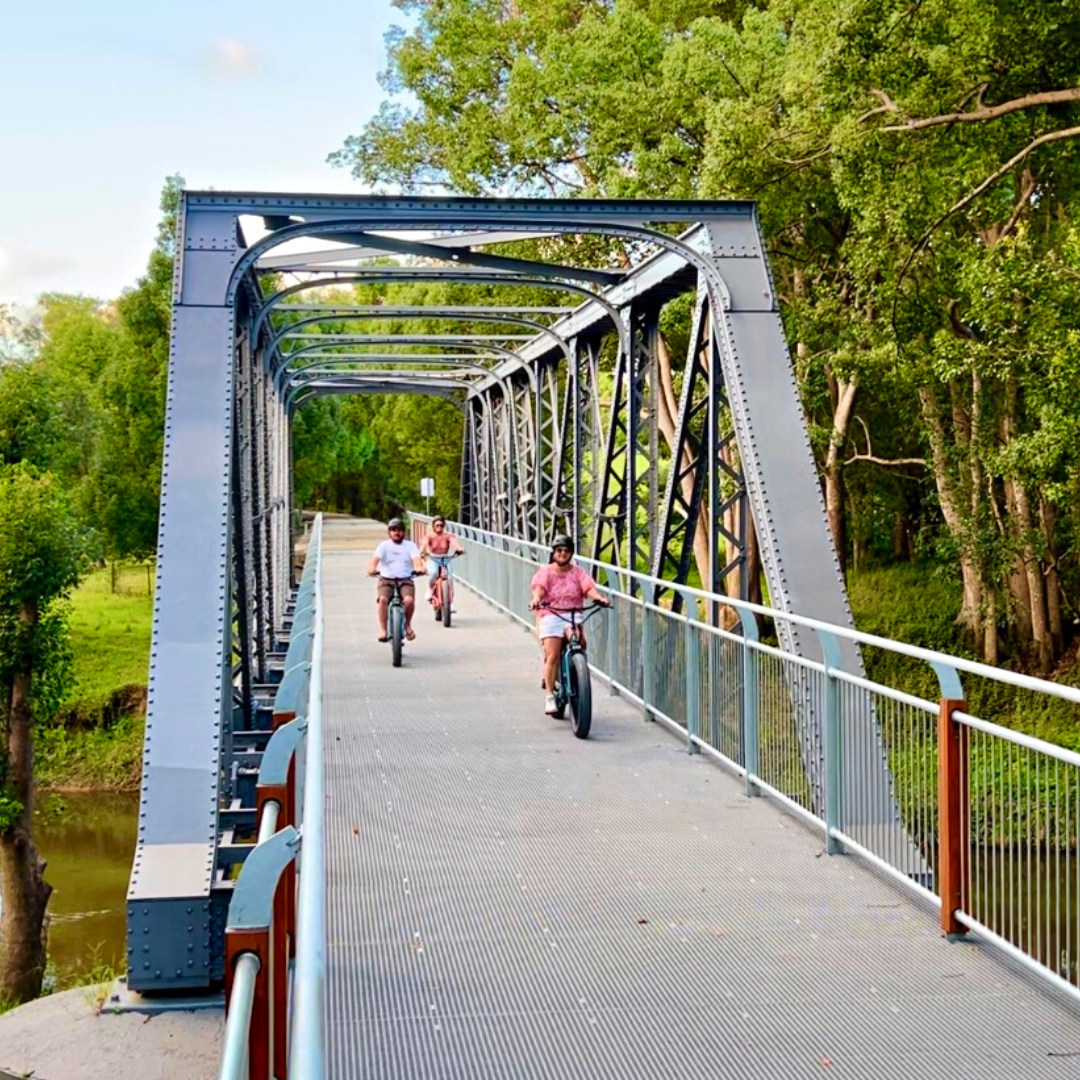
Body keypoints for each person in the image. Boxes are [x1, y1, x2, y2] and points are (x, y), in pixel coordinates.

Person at [528, 534, 610, 715]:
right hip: (551, 613)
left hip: (572, 615)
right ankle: (549, 696)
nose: (562, 554)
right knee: (553, 654)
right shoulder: (546, 571)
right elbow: (539, 589)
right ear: (554, 553)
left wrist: (599, 599)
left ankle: (576, 674)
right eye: (559, 551)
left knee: (580, 644)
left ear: (571, 553)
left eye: (566, 551)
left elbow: (588, 588)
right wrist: (536, 600)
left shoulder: (578, 572)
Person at [367, 518, 424, 642]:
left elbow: (416, 559)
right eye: (393, 530)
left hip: (405, 580)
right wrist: (371, 569)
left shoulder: (410, 545)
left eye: (399, 530)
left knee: (409, 600)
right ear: (389, 532)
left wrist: (419, 568)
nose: (396, 533)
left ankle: (407, 625)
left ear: (403, 532)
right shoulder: (384, 546)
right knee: (382, 600)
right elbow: (375, 559)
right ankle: (383, 630)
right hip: (386, 580)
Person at [420, 516, 465, 604]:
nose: (439, 527)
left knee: (450, 579)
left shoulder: (447, 536)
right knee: (433, 573)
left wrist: (460, 548)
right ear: (433, 526)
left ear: (444, 526)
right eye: (437, 525)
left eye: (441, 525)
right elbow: (424, 544)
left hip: (445, 558)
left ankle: (450, 603)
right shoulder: (429, 536)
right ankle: (430, 588)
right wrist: (422, 551)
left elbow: (454, 542)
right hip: (434, 558)